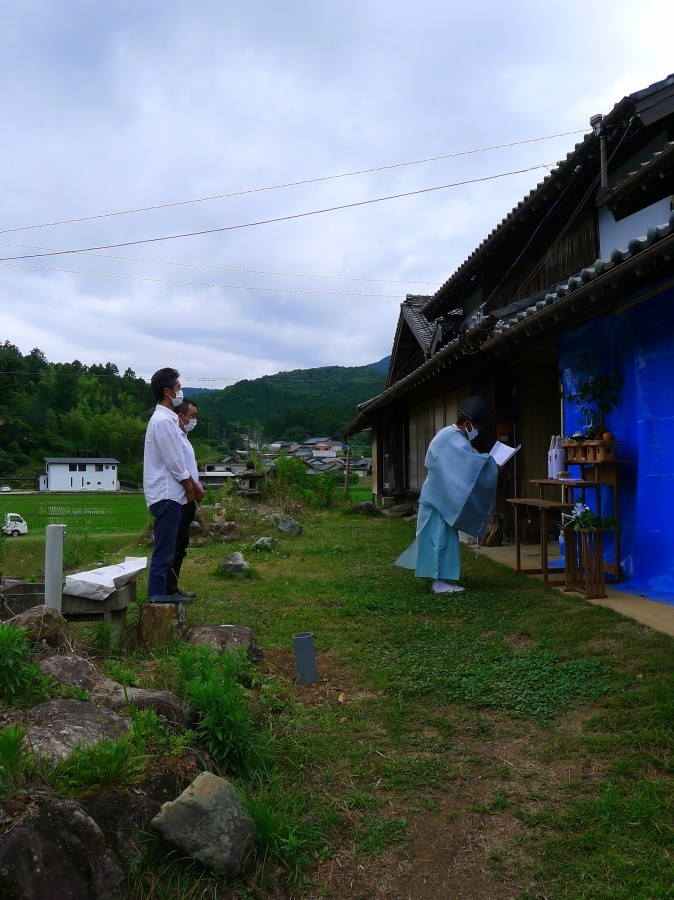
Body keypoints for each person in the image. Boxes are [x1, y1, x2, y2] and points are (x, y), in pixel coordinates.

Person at [396, 396, 499, 594]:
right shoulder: (453, 438)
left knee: (440, 539)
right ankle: (439, 583)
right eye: (477, 427)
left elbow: (469, 462)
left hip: (439, 496)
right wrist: (493, 466)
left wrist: (488, 464)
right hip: (439, 498)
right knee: (440, 539)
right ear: (468, 424)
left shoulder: (450, 435)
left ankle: (440, 579)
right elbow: (471, 464)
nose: (477, 431)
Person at [143, 368, 195, 601]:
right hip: (167, 495)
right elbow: (174, 462)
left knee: (167, 551)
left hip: (169, 495)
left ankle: (164, 597)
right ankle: (156, 601)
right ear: (167, 392)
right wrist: (189, 486)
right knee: (164, 553)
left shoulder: (167, 420)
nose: (180, 392)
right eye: (178, 388)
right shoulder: (163, 421)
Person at [166, 397, 204, 598]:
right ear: (181, 416)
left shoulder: (184, 438)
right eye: (192, 415)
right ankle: (169, 589)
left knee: (182, 544)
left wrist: (197, 485)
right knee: (175, 544)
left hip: (188, 498)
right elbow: (180, 469)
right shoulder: (175, 438)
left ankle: (173, 586)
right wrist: (195, 489)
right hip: (181, 498)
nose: (195, 420)